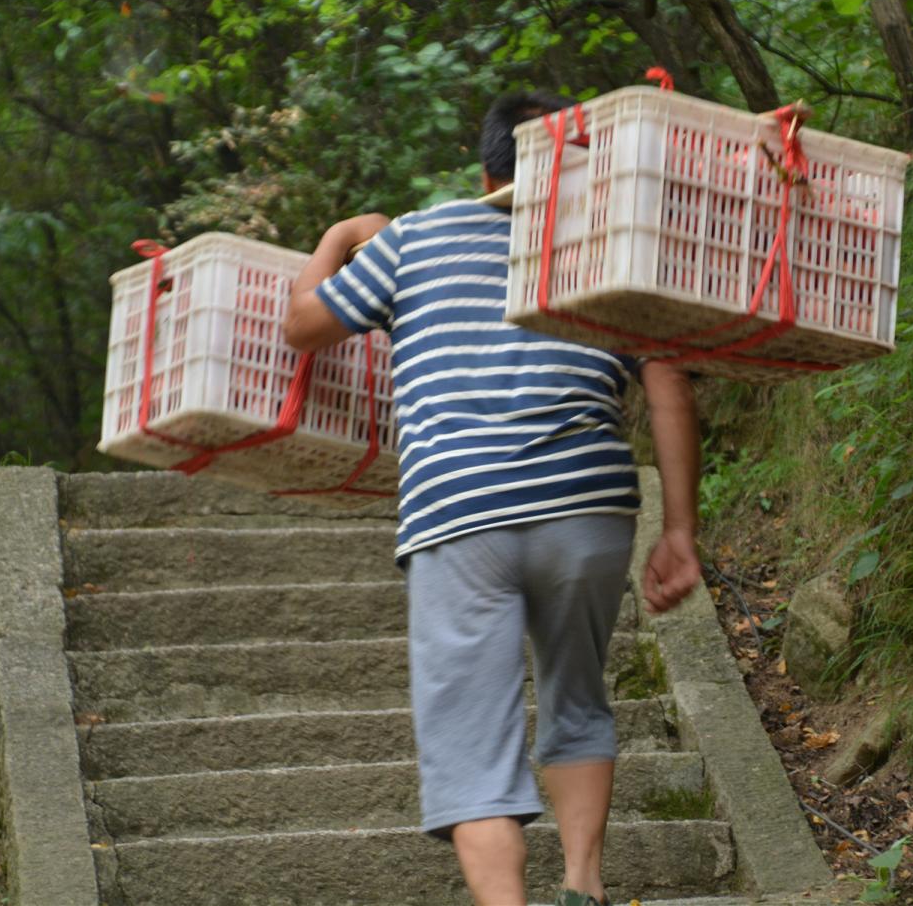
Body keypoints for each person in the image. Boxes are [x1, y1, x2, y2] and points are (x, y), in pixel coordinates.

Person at [283, 91, 702, 906]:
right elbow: (669, 385)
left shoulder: (417, 235)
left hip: (459, 510)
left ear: (485, 171)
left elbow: (303, 325)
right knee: (577, 699)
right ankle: (583, 883)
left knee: (472, 748)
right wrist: (679, 529)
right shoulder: (612, 245)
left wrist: (340, 233)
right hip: (587, 506)